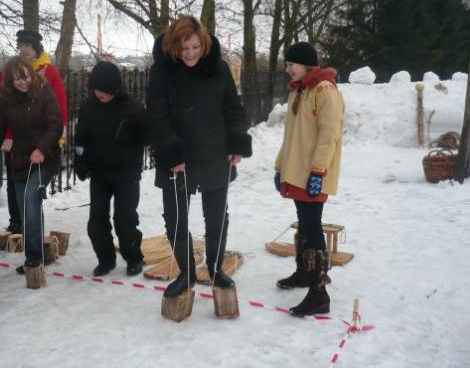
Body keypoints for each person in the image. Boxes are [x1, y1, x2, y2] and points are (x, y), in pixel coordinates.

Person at [146, 16, 252, 298]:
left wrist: (236, 142)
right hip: (176, 158)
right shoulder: (161, 72)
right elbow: (157, 115)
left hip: (214, 153)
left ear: (203, 43)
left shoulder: (218, 68)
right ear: (174, 46)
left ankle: (216, 269)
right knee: (175, 218)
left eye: (195, 47)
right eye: (184, 48)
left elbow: (233, 107)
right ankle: (187, 273)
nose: (190, 53)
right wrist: (172, 152)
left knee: (216, 216)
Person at [274, 42, 344, 316]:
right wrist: (280, 167)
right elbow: (291, 136)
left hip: (313, 172)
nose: (287, 69)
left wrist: (318, 170)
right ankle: (304, 273)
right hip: (296, 170)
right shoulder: (299, 91)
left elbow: (329, 134)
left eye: (291, 64)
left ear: (305, 64)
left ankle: (319, 292)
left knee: (313, 225)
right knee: (304, 222)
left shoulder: (325, 91)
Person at [0, 56, 63, 274]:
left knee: (30, 197)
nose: (24, 82)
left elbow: (55, 123)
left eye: (27, 76)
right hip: (20, 159)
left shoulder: (43, 90)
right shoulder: (4, 96)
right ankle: (37, 251)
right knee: (26, 208)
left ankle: (34, 259)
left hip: (45, 158)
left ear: (32, 73)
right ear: (10, 80)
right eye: (18, 79)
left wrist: (41, 148)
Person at [74, 61, 148, 277]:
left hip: (127, 174)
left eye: (105, 90)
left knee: (125, 221)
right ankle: (106, 259)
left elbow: (147, 137)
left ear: (115, 88)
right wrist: (80, 161)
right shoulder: (88, 108)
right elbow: (81, 138)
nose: (100, 94)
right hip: (100, 174)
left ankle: (133, 258)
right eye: (96, 89)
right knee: (96, 222)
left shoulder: (132, 108)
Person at [0, 30, 68, 234]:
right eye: (20, 46)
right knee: (14, 183)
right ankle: (17, 221)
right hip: (15, 138)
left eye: (27, 46)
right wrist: (5, 136)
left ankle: (32, 234)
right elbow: (3, 107)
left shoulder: (49, 71)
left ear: (36, 48)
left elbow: (60, 105)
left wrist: (58, 135)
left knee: (32, 190)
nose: (23, 49)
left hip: (40, 140)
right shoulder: (9, 70)